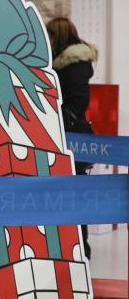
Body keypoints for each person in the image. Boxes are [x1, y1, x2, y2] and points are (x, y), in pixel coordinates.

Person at [47, 15, 97, 259]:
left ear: (59, 36)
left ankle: (81, 249)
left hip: (72, 139)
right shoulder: (65, 63)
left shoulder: (74, 64)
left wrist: (55, 116)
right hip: (67, 136)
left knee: (74, 194)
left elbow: (77, 103)